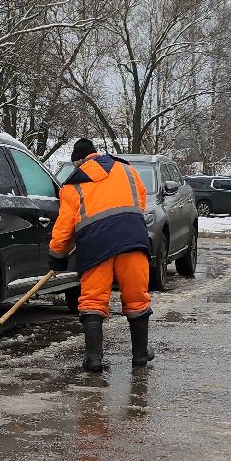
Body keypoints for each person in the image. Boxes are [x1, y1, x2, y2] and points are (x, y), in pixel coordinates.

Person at [50, 138, 153, 372]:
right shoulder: (127, 169)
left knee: (93, 300)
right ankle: (140, 355)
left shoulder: (72, 185)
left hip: (96, 246)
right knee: (137, 297)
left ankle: (94, 359)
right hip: (132, 239)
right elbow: (141, 200)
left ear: (78, 162)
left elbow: (65, 226)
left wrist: (57, 255)